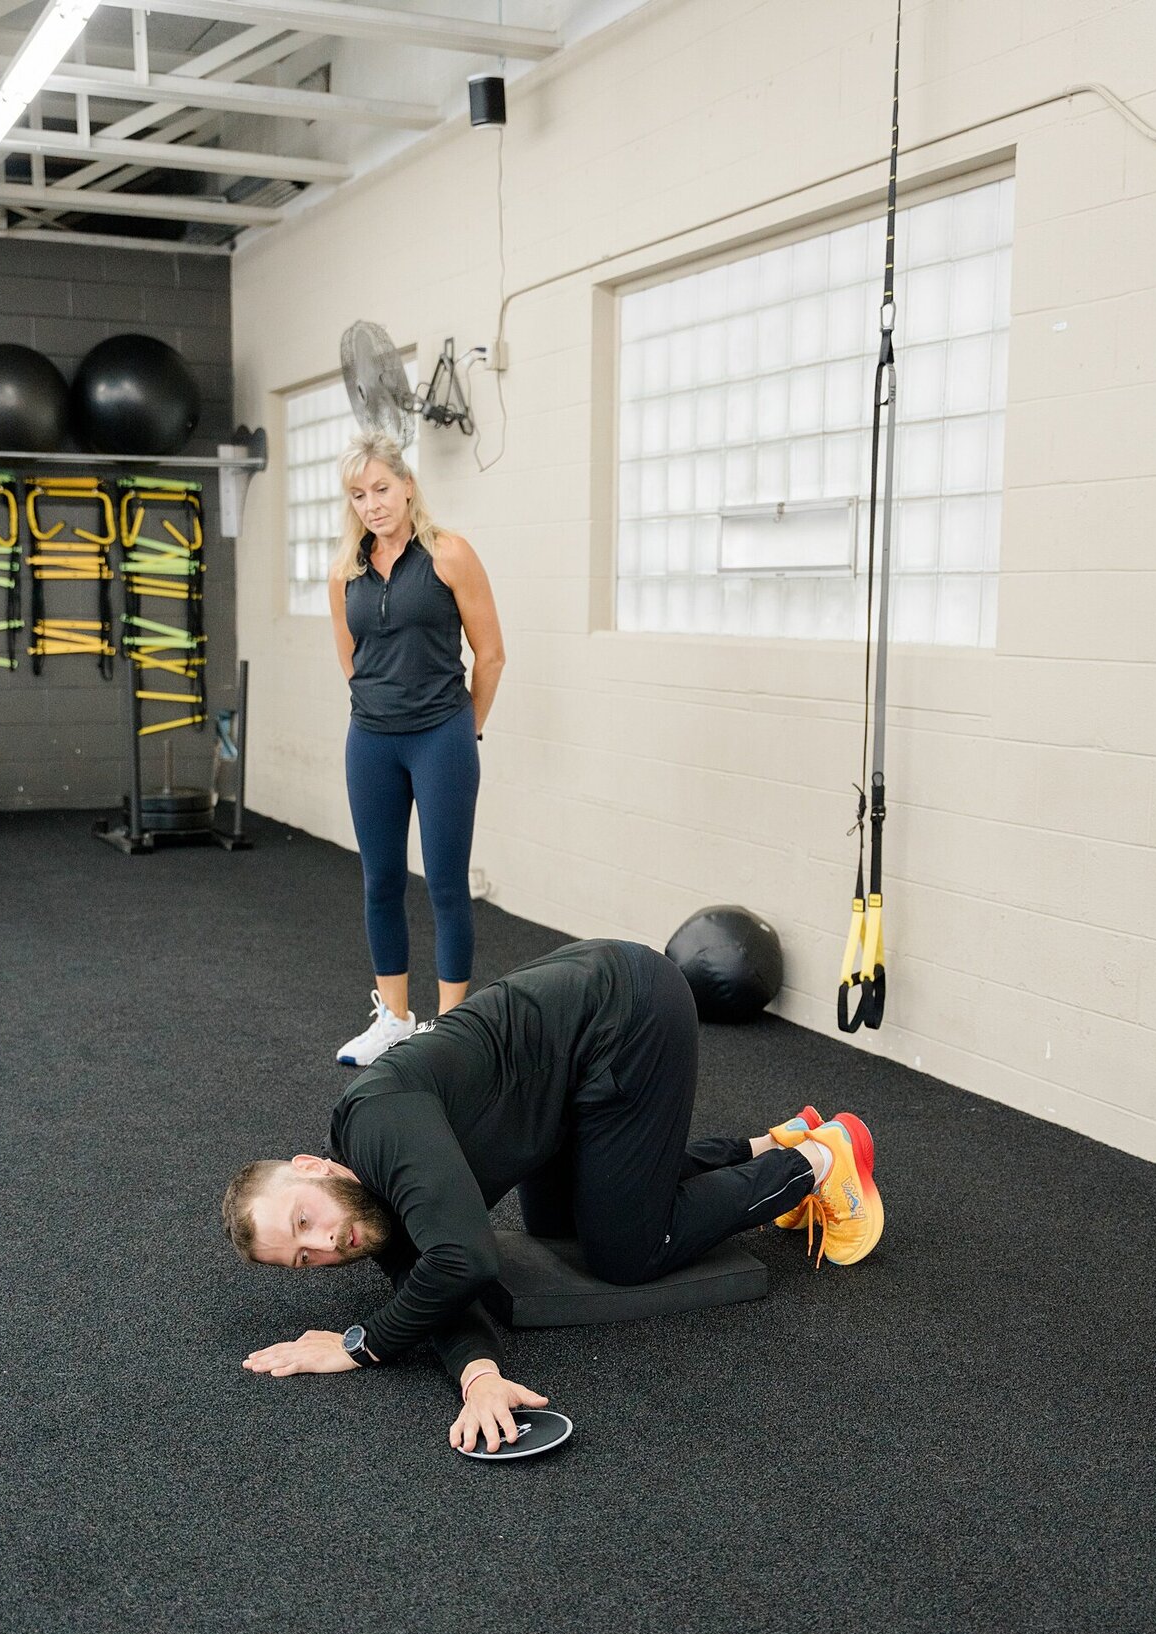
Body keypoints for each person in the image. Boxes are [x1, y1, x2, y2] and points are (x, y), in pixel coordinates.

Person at [223, 940, 884, 1453]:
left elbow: (465, 1260)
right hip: (570, 1059)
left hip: (629, 1014)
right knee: (560, 1224)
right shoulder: (367, 1206)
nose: (323, 1244)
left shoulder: (377, 1125)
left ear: (314, 1167)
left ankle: (824, 1159)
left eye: (304, 1220)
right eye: (302, 1259)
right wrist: (480, 1379)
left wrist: (359, 1345)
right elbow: (439, 1285)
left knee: (625, 1252)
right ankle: (769, 1144)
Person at [327, 428, 505, 1066]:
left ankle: (453, 1030)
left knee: (447, 885)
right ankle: (395, 1018)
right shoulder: (344, 572)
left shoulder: (449, 554)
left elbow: (491, 654)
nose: (372, 503)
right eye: (359, 494)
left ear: (406, 486)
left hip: (441, 738)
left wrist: (464, 727)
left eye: (381, 488)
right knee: (379, 881)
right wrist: (381, 709)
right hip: (371, 742)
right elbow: (353, 662)